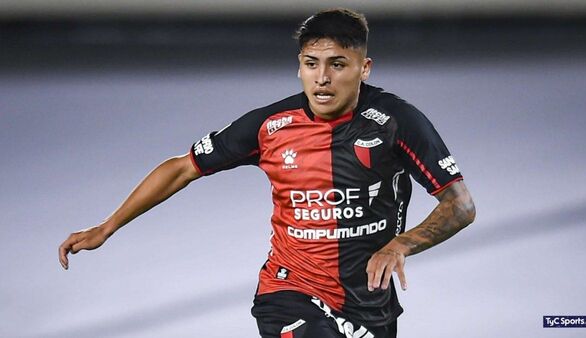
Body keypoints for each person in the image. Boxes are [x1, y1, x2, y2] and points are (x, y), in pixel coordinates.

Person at [59, 8, 475, 338]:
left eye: (338, 65)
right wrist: (108, 227)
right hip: (288, 291)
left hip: (370, 307)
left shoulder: (396, 122)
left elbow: (459, 205)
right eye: (311, 64)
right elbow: (183, 168)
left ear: (364, 68)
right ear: (299, 66)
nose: (323, 78)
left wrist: (399, 245)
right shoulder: (270, 125)